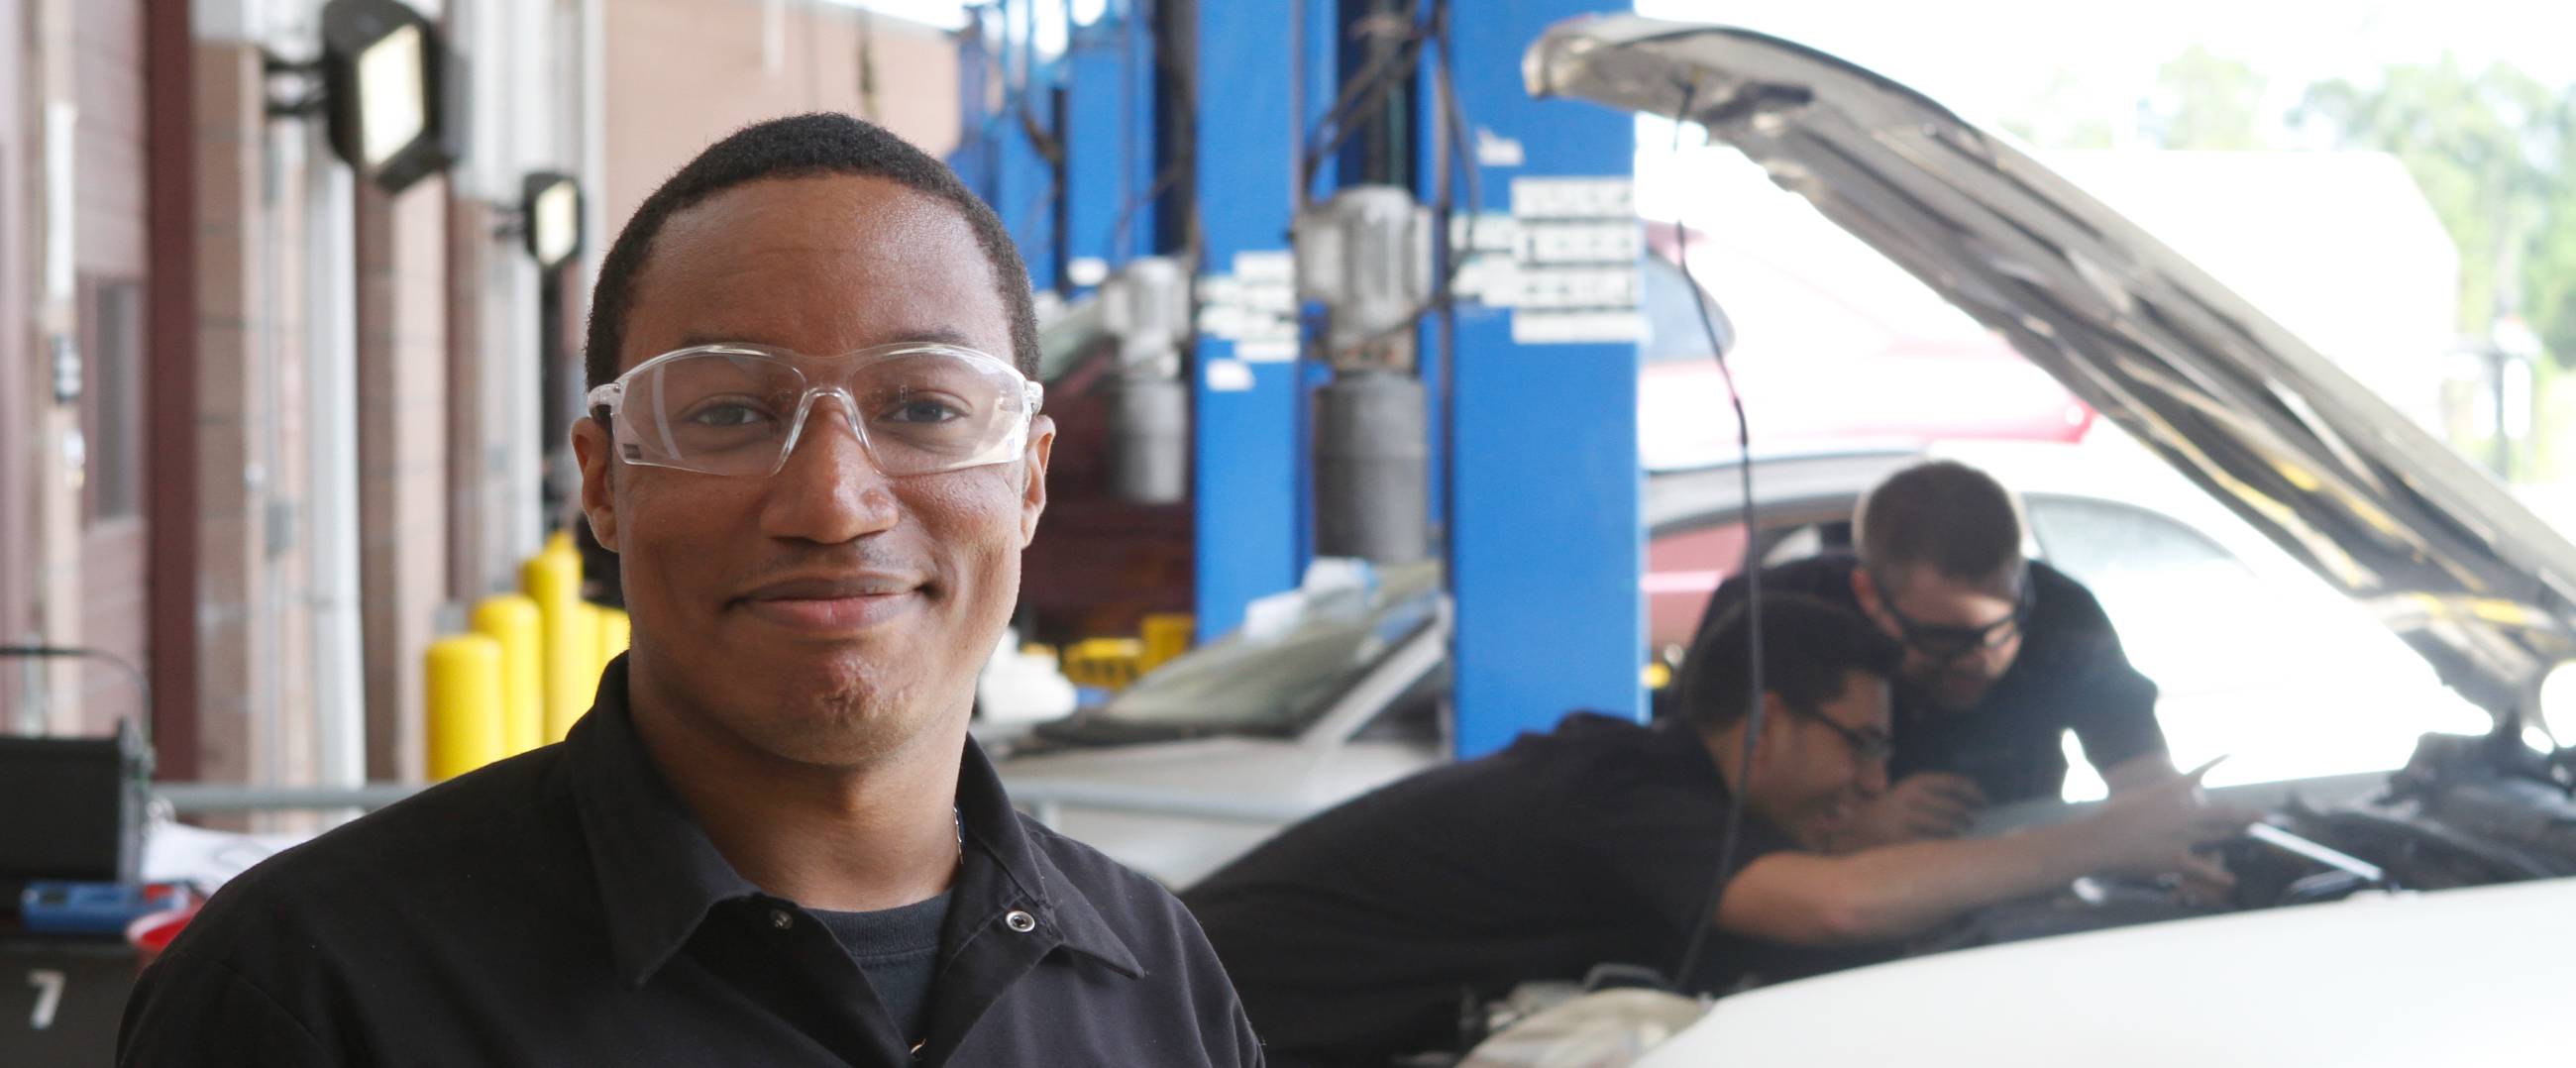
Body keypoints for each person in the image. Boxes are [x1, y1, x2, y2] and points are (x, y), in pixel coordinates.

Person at [121, 114, 1261, 1067]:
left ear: (1025, 481)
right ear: (605, 483)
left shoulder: (1155, 984)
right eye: (728, 411)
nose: (831, 501)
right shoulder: (311, 991)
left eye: (920, 407)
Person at [1184, 594, 2250, 1067]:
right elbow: (1828, 908)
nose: (1875, 775)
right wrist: (2102, 839)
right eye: (1858, 745)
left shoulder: (1651, 783)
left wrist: (1851, 823)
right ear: (1768, 718)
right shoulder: (1622, 794)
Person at [1694, 459, 2178, 849]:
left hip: (2015, 879)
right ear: (1866, 593)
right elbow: (1692, 814)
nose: (1974, 661)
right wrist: (1849, 831)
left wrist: (2167, 837)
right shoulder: (1772, 624)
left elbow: (2144, 777)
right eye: (1942, 641)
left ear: (2022, 583)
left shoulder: (2061, 614)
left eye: (2000, 631)